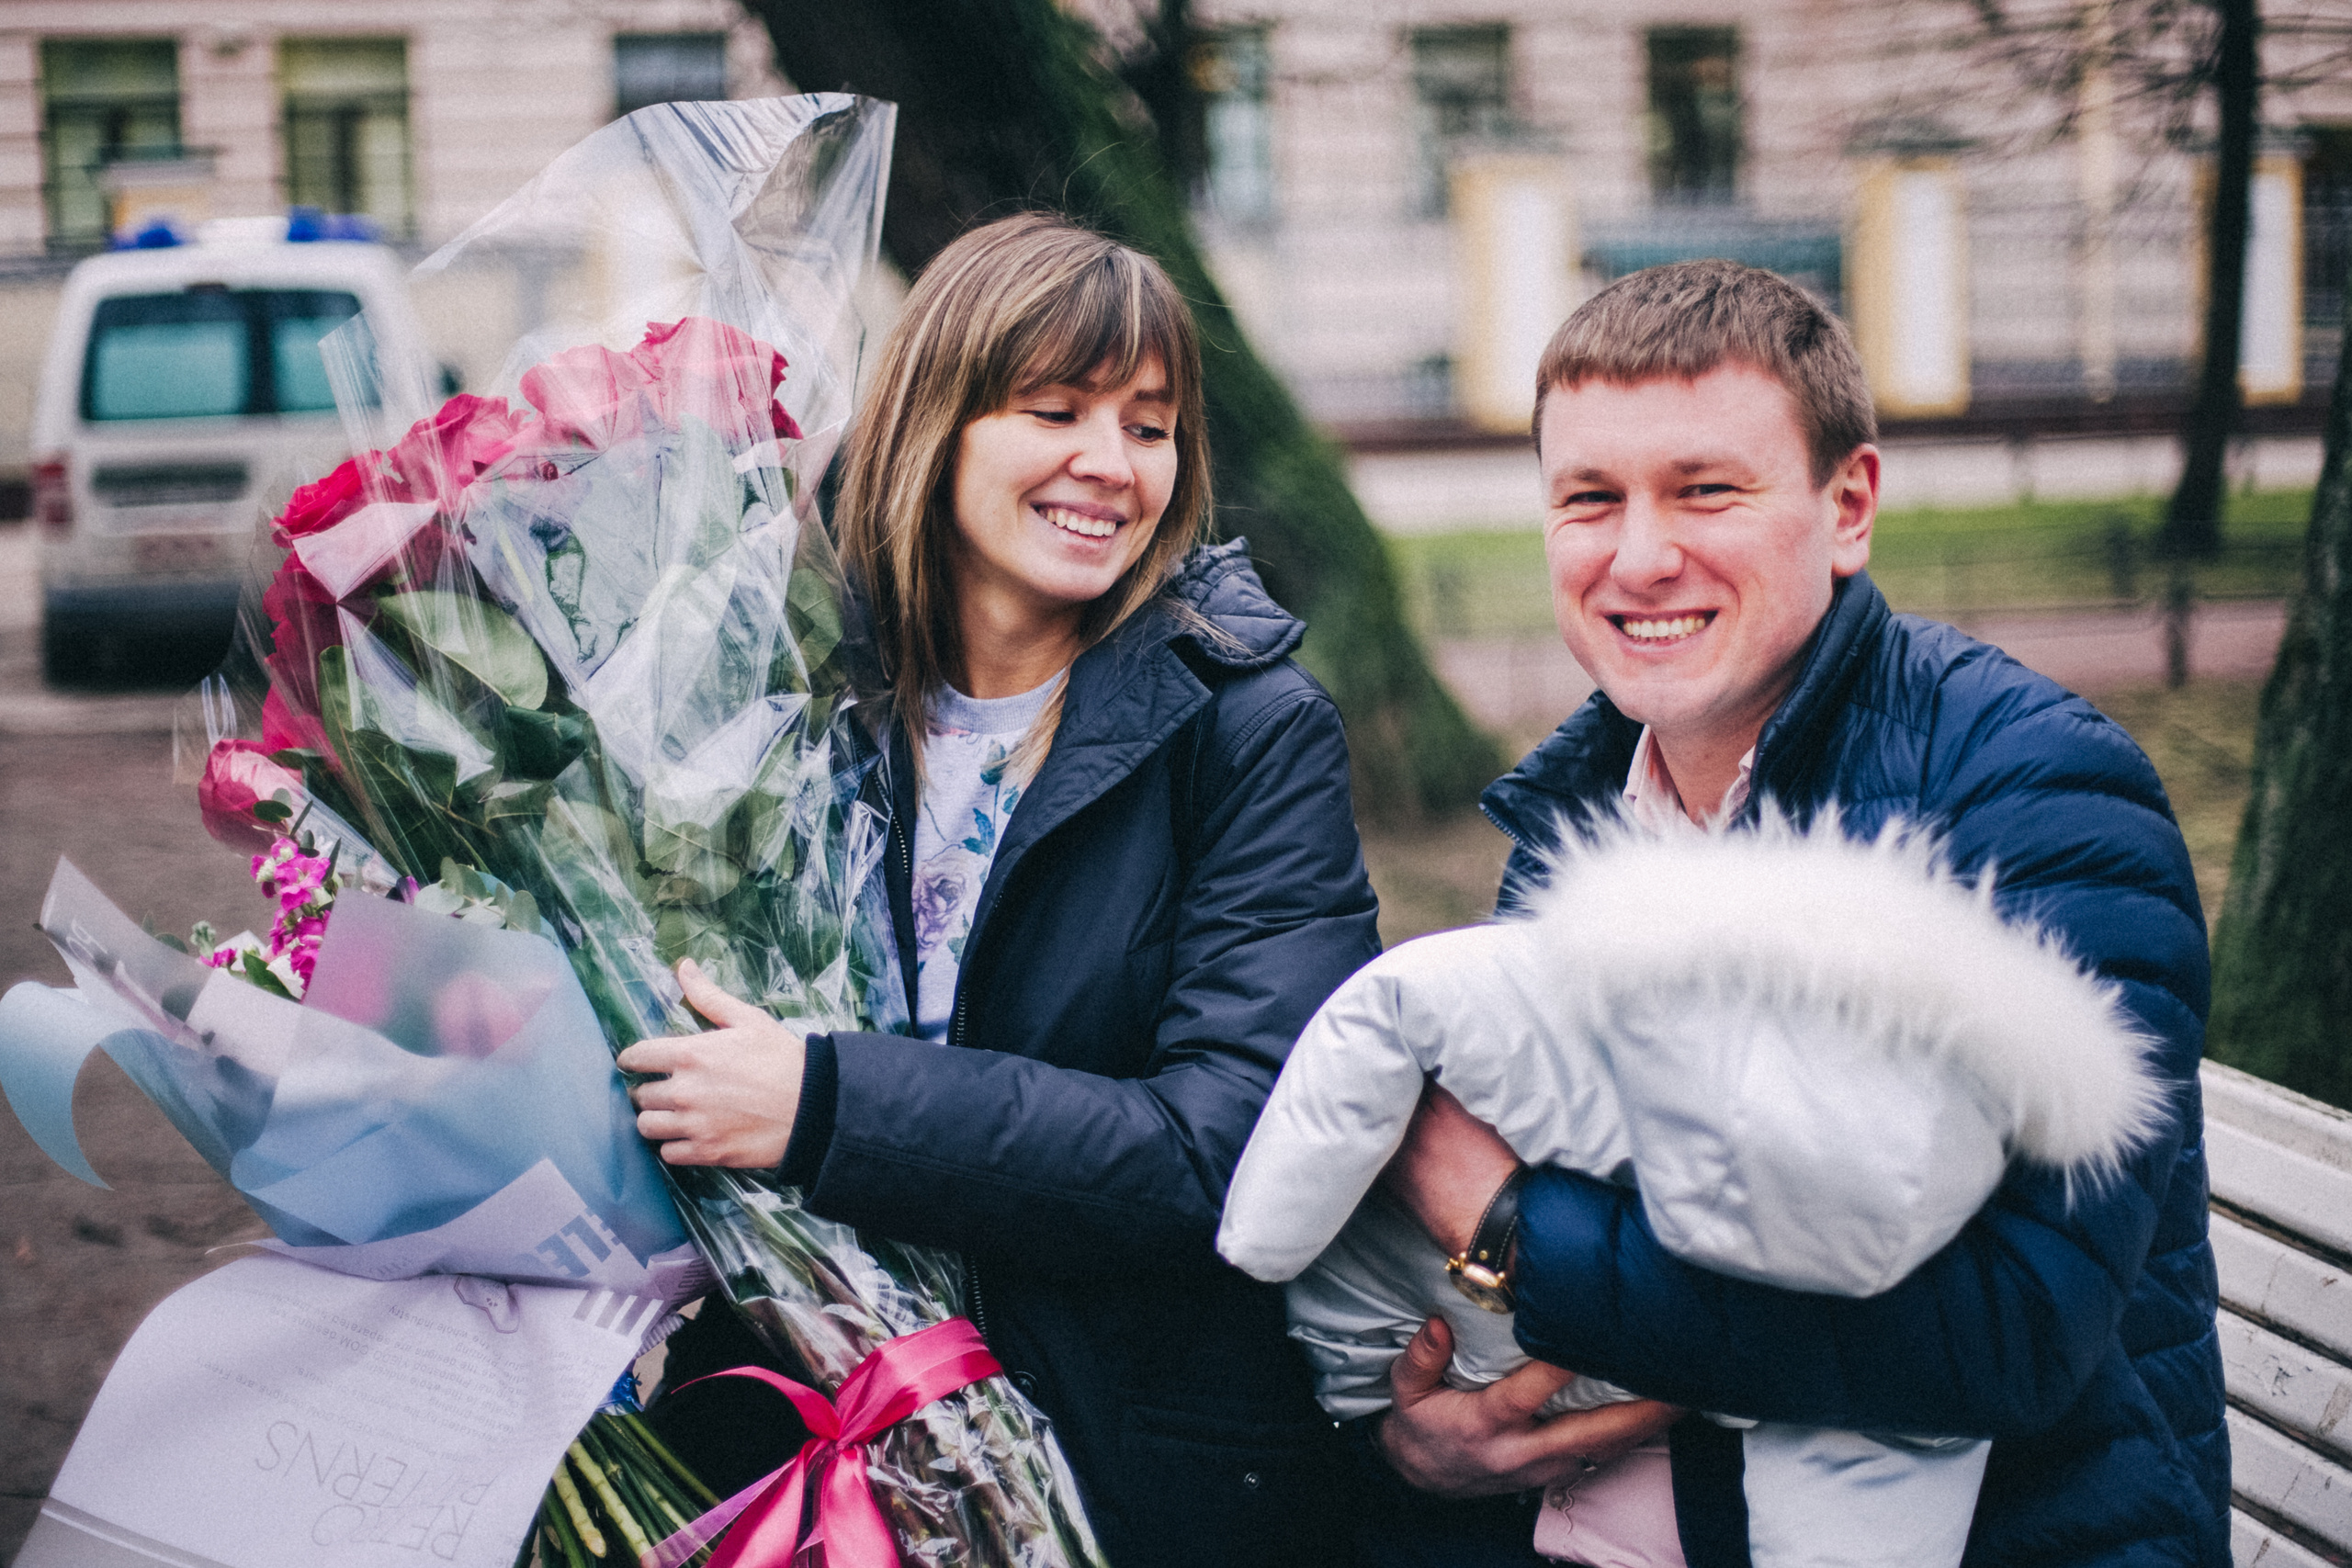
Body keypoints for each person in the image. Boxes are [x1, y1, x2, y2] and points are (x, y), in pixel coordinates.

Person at [1372, 259, 2227, 1567]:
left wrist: (1505, 1232)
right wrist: (1432, 1440)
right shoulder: (1582, 814)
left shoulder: (2036, 793)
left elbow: (2017, 1333)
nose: (1639, 557)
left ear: (1849, 506)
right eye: (1589, 498)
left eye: (1705, 490)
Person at [614, 212, 1382, 1568]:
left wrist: (827, 1105)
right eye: (1056, 410)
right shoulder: (781, 706)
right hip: (802, 1449)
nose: (1112, 463)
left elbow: (1226, 1156)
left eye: (1150, 426)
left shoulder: (1248, 734)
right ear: (940, 423)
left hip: (1122, 1471)